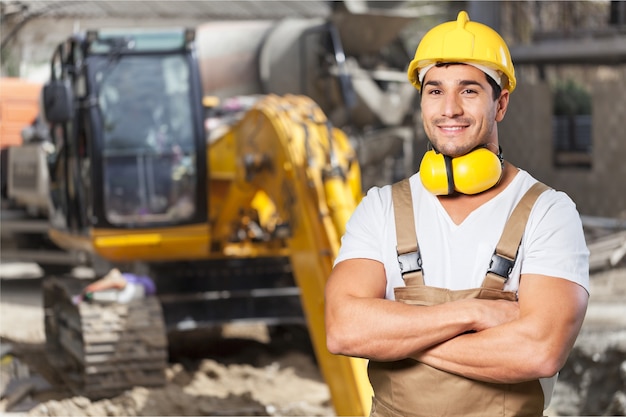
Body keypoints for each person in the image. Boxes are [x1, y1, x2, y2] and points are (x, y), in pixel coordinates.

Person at [324, 10, 589, 417]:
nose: (449, 108)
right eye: (435, 91)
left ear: (500, 103)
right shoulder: (380, 208)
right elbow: (343, 328)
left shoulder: (548, 212)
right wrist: (475, 312)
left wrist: (400, 336)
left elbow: (538, 351)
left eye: (468, 91)